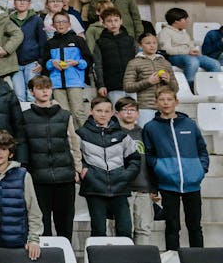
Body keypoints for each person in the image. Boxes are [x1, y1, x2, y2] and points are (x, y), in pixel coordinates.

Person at [143, 87, 210, 251]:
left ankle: (198, 259)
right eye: (162, 100)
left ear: (176, 102)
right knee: (172, 226)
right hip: (167, 184)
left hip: (192, 183)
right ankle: (173, 257)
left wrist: (200, 170)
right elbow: (149, 155)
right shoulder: (151, 127)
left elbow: (202, 149)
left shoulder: (189, 124)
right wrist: (160, 168)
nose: (166, 103)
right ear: (156, 103)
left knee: (195, 226)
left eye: (169, 99)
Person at [16, 75, 80, 240]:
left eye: (47, 87)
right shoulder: (25, 117)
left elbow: (74, 143)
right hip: (38, 178)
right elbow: (23, 146)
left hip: (64, 177)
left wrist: (77, 168)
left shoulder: (65, 115)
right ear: (31, 91)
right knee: (41, 225)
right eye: (39, 88)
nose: (44, 91)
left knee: (65, 225)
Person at [77, 96, 141, 238]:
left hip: (120, 189)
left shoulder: (122, 135)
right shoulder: (81, 134)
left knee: (125, 230)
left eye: (107, 111)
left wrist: (125, 175)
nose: (103, 114)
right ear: (91, 111)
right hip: (94, 189)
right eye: (99, 110)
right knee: (99, 231)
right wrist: (84, 172)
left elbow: (135, 159)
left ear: (112, 113)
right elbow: (74, 157)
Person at [0, 131, 42, 260]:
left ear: (11, 153)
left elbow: (34, 211)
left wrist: (34, 240)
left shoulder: (23, 175)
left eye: (3, 149)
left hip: (17, 245)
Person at [114, 97, 158, 246]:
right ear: (117, 114)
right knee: (124, 230)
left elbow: (151, 161)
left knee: (143, 229)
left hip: (144, 188)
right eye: (125, 110)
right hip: (122, 189)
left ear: (138, 114)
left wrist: (153, 186)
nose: (129, 113)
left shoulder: (145, 133)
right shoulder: (114, 133)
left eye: (132, 110)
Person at [46, 12, 92, 127]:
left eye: (63, 21)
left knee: (78, 112)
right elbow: (45, 63)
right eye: (57, 22)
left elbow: (89, 60)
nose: (61, 24)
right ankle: (70, 141)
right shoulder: (50, 43)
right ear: (53, 25)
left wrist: (76, 62)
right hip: (56, 83)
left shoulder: (78, 40)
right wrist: (52, 62)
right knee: (63, 114)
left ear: (69, 24)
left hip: (75, 81)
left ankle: (85, 140)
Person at [123, 30, 178, 125]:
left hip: (165, 107)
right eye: (148, 43)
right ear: (140, 45)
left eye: (154, 43)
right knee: (147, 136)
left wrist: (169, 81)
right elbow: (127, 87)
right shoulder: (134, 63)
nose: (152, 46)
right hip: (145, 107)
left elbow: (175, 89)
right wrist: (148, 82)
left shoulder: (165, 63)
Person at [160, 6, 221, 92]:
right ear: (176, 21)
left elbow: (190, 45)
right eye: (184, 19)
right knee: (193, 62)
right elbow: (166, 50)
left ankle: (214, 87)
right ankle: (190, 88)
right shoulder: (165, 32)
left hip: (189, 55)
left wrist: (194, 51)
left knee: (214, 63)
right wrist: (187, 51)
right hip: (173, 57)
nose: (187, 21)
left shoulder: (183, 32)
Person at [91, 6, 138, 104]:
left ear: (121, 21)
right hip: (113, 85)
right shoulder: (100, 42)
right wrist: (101, 85)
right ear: (103, 23)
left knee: (134, 113)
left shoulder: (130, 40)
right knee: (117, 114)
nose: (113, 23)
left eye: (116, 20)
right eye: (109, 21)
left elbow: (139, 60)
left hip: (133, 84)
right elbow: (97, 65)